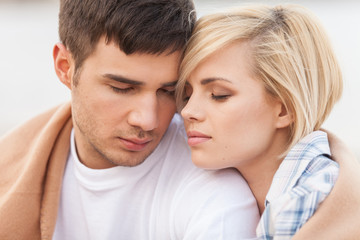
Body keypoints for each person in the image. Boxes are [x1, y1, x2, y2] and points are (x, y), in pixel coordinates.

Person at [0, 0, 260, 239]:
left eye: (169, 92)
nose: (147, 120)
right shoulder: (10, 166)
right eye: (122, 89)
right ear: (65, 67)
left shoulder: (215, 197)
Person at [176, 4, 360, 239]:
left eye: (219, 95)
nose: (188, 111)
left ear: (284, 109)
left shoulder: (299, 206)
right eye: (187, 94)